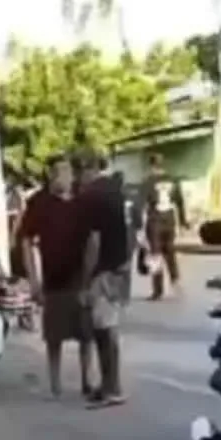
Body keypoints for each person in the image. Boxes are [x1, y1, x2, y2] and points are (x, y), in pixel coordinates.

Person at [19, 156, 94, 398]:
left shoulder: (82, 201)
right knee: (54, 336)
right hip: (53, 280)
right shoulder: (39, 203)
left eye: (67, 172)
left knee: (86, 333)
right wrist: (33, 279)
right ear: (50, 176)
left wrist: (93, 276)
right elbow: (25, 240)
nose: (65, 177)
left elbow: (94, 238)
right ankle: (55, 384)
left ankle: (87, 380)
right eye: (59, 172)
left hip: (81, 278)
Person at [77, 156, 131, 408]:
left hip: (103, 270)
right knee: (109, 328)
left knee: (104, 331)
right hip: (120, 267)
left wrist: (86, 280)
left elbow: (94, 242)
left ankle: (112, 388)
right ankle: (109, 385)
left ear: (87, 170)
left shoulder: (92, 197)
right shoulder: (116, 191)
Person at [139, 155, 188, 299]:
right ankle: (175, 279)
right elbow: (180, 201)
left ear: (151, 165)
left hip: (155, 220)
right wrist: (183, 221)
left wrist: (138, 225)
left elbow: (140, 204)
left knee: (155, 254)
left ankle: (158, 290)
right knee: (170, 250)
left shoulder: (148, 181)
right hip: (170, 219)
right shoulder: (173, 180)